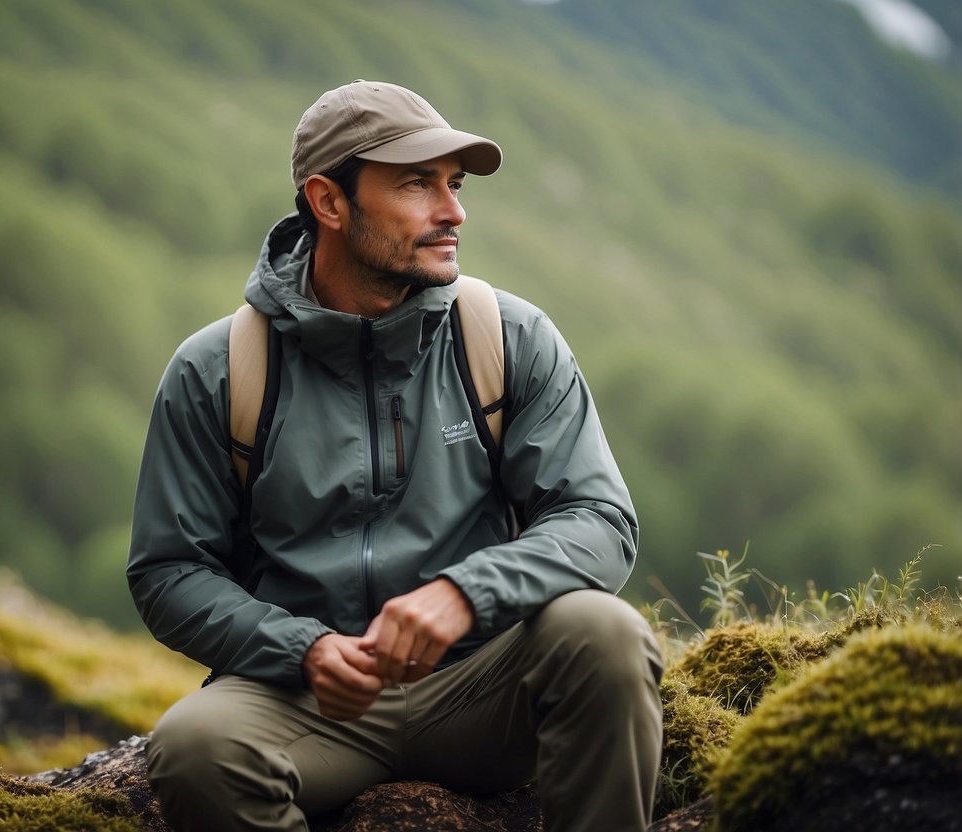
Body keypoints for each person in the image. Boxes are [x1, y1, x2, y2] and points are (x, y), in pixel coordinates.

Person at [127, 79, 664, 832]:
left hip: (483, 689)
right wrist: (302, 648)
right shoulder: (218, 368)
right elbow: (167, 571)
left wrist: (463, 594)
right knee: (192, 745)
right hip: (309, 704)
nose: (453, 212)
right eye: (417, 184)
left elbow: (599, 519)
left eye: (453, 183)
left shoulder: (506, 337)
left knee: (605, 634)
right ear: (329, 202)